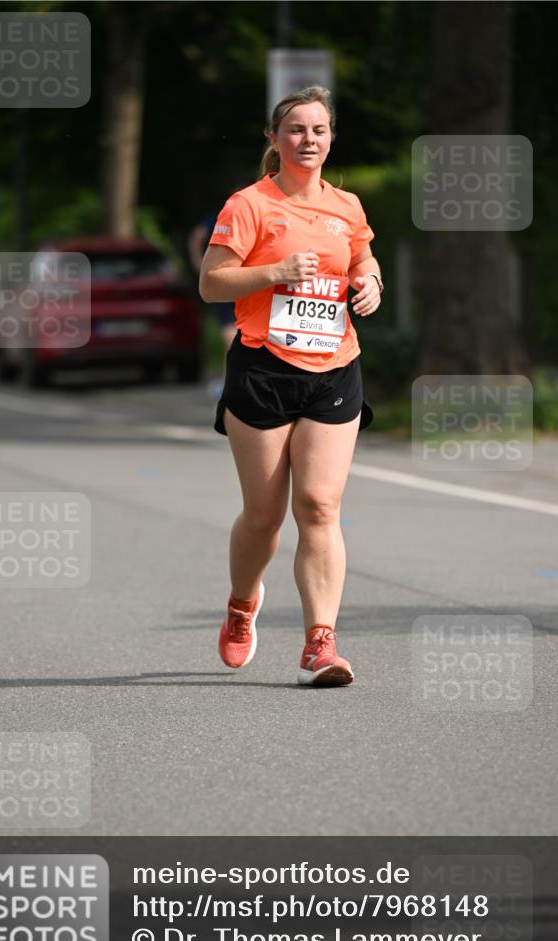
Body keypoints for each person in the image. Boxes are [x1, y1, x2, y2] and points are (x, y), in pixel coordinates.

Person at [199, 86, 383, 687]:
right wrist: (276, 271)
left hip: (334, 366)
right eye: (297, 129)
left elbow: (363, 259)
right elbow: (211, 283)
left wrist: (371, 283)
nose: (309, 139)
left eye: (319, 130)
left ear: (331, 139)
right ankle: (242, 603)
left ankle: (319, 645)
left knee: (320, 505)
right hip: (264, 369)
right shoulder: (249, 204)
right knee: (264, 516)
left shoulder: (347, 206)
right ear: (275, 140)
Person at [188, 208, 238, 397]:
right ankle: (228, 382)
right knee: (231, 335)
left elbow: (196, 236)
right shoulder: (227, 213)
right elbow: (197, 236)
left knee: (233, 335)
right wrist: (200, 264)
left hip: (235, 278)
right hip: (228, 278)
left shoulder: (230, 212)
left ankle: (229, 382)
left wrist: (199, 263)